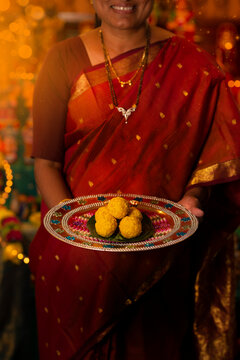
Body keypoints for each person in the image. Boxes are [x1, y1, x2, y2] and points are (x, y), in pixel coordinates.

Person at [29, 0, 240, 359]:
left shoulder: (194, 65)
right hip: (76, 266)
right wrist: (75, 229)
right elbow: (46, 163)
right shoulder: (61, 59)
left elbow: (212, 156)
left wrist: (194, 199)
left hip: (159, 267)